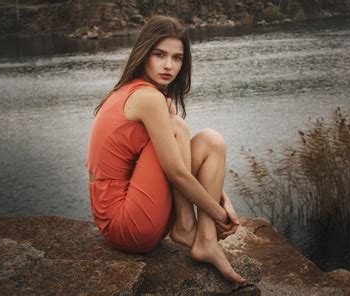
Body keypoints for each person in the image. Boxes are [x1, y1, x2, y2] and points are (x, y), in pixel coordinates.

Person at [86, 15, 246, 284]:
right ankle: (185, 226)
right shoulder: (147, 99)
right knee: (178, 128)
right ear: (144, 53)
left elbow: (179, 160)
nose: (168, 66)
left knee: (211, 141)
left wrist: (220, 197)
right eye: (160, 55)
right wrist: (220, 214)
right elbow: (176, 172)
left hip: (135, 208)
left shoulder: (151, 96)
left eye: (177, 58)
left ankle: (206, 239)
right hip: (123, 222)